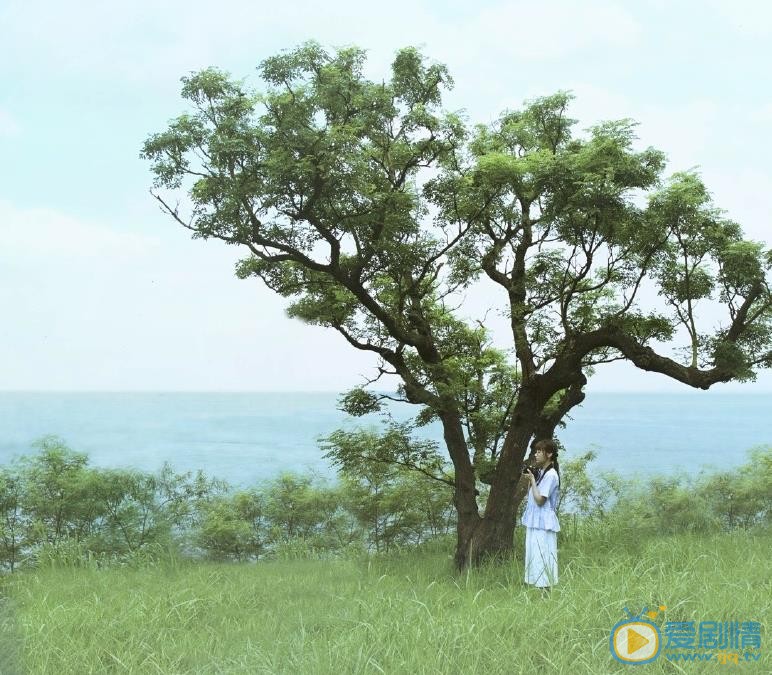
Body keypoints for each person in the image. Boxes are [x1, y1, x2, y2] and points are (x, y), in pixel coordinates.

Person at [521, 439, 560, 590]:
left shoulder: (551, 475)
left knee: (543, 556)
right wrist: (533, 479)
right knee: (535, 556)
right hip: (536, 521)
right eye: (535, 451)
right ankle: (539, 592)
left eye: (539, 451)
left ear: (549, 454)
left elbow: (539, 500)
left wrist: (532, 480)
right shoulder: (543, 472)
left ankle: (546, 592)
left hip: (543, 523)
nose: (535, 454)